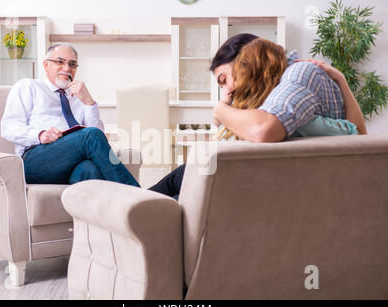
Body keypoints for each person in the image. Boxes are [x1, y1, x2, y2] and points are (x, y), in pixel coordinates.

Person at [149, 34, 366, 198]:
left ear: (246, 60)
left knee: (168, 202)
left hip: (269, 190)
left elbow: (263, 130)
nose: (227, 91)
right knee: (168, 188)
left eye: (225, 80)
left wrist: (221, 110)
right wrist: (342, 82)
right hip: (257, 183)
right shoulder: (273, 89)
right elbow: (358, 136)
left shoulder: (298, 74)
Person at [1, 42, 140, 187]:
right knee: (89, 135)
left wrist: (88, 102)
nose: (67, 68)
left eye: (72, 64)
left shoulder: (78, 96)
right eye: (59, 62)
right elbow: (8, 127)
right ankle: (137, 197)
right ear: (46, 64)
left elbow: (99, 138)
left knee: (89, 169)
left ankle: (118, 208)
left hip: (69, 165)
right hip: (36, 161)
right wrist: (40, 134)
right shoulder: (29, 86)